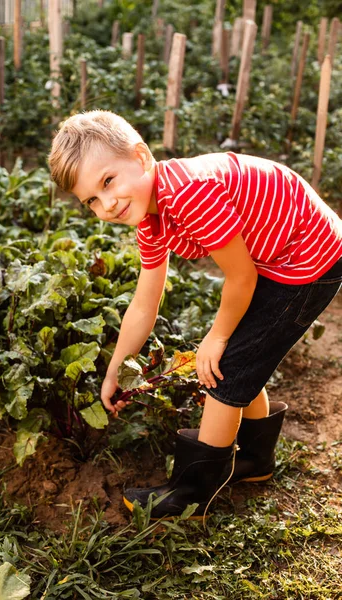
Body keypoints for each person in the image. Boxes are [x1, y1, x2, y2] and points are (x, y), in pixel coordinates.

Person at [49, 110, 342, 519]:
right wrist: (117, 368)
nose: (107, 203)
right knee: (237, 356)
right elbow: (145, 302)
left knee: (225, 366)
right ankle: (256, 461)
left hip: (308, 257)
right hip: (275, 259)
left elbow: (241, 278)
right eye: (92, 200)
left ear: (141, 156)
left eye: (108, 181)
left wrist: (217, 337)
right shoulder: (151, 221)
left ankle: (193, 492)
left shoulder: (189, 193)